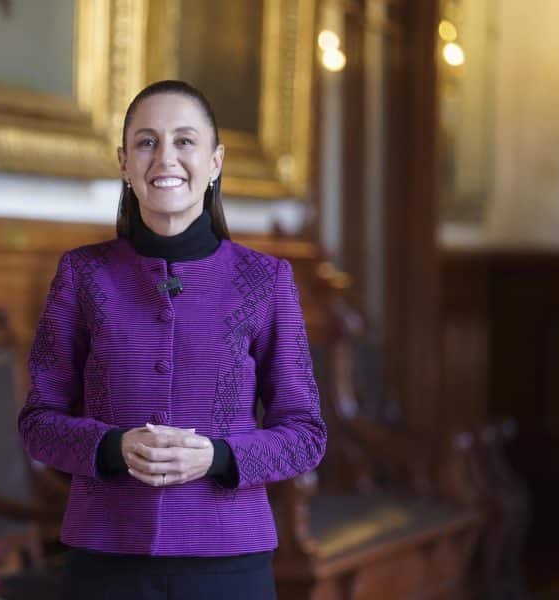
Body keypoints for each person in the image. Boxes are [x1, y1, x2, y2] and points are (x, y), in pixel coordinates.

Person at [17, 80, 327, 600]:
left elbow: (306, 435)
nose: (166, 158)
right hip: (106, 558)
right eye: (146, 141)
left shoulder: (265, 280)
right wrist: (112, 447)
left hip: (229, 561)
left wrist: (218, 458)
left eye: (185, 141)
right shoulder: (81, 274)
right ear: (123, 162)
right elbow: (38, 424)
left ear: (215, 162)